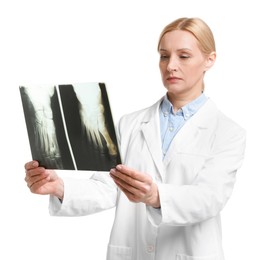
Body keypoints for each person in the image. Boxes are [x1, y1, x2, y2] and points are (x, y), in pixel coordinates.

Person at [24, 17, 246, 260]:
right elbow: (108, 187)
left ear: (209, 59)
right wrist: (59, 187)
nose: (171, 65)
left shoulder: (227, 132)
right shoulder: (130, 124)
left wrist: (155, 196)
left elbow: (209, 198)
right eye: (164, 56)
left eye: (183, 56)